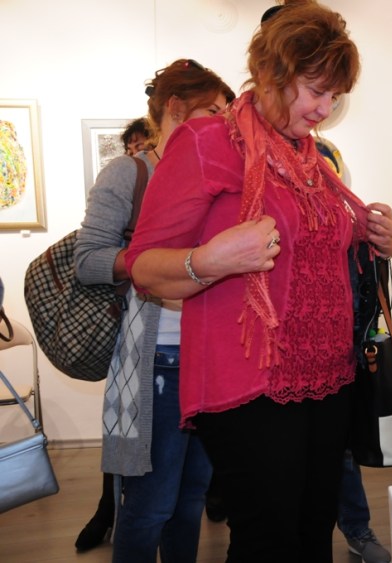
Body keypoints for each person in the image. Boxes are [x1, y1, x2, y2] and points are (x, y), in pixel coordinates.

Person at [124, 2, 392, 561]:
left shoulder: (312, 159)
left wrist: (375, 239)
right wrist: (211, 260)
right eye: (315, 90)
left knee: (313, 531)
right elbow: (143, 267)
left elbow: (318, 249)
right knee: (266, 540)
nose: (325, 108)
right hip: (250, 381)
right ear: (272, 74)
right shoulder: (206, 142)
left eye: (335, 96)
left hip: (329, 376)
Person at [74, 59, 235, 562]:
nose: (221, 124)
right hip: (158, 359)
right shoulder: (130, 172)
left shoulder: (218, 172)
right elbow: (87, 259)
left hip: (209, 359)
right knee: (150, 506)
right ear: (175, 108)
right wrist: (162, 262)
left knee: (190, 500)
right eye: (212, 112)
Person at [75, 115, 157, 553]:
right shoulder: (128, 176)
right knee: (126, 432)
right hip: (128, 326)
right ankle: (105, 510)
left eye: (142, 143)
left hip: (171, 334)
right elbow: (90, 259)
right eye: (132, 146)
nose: (136, 151)